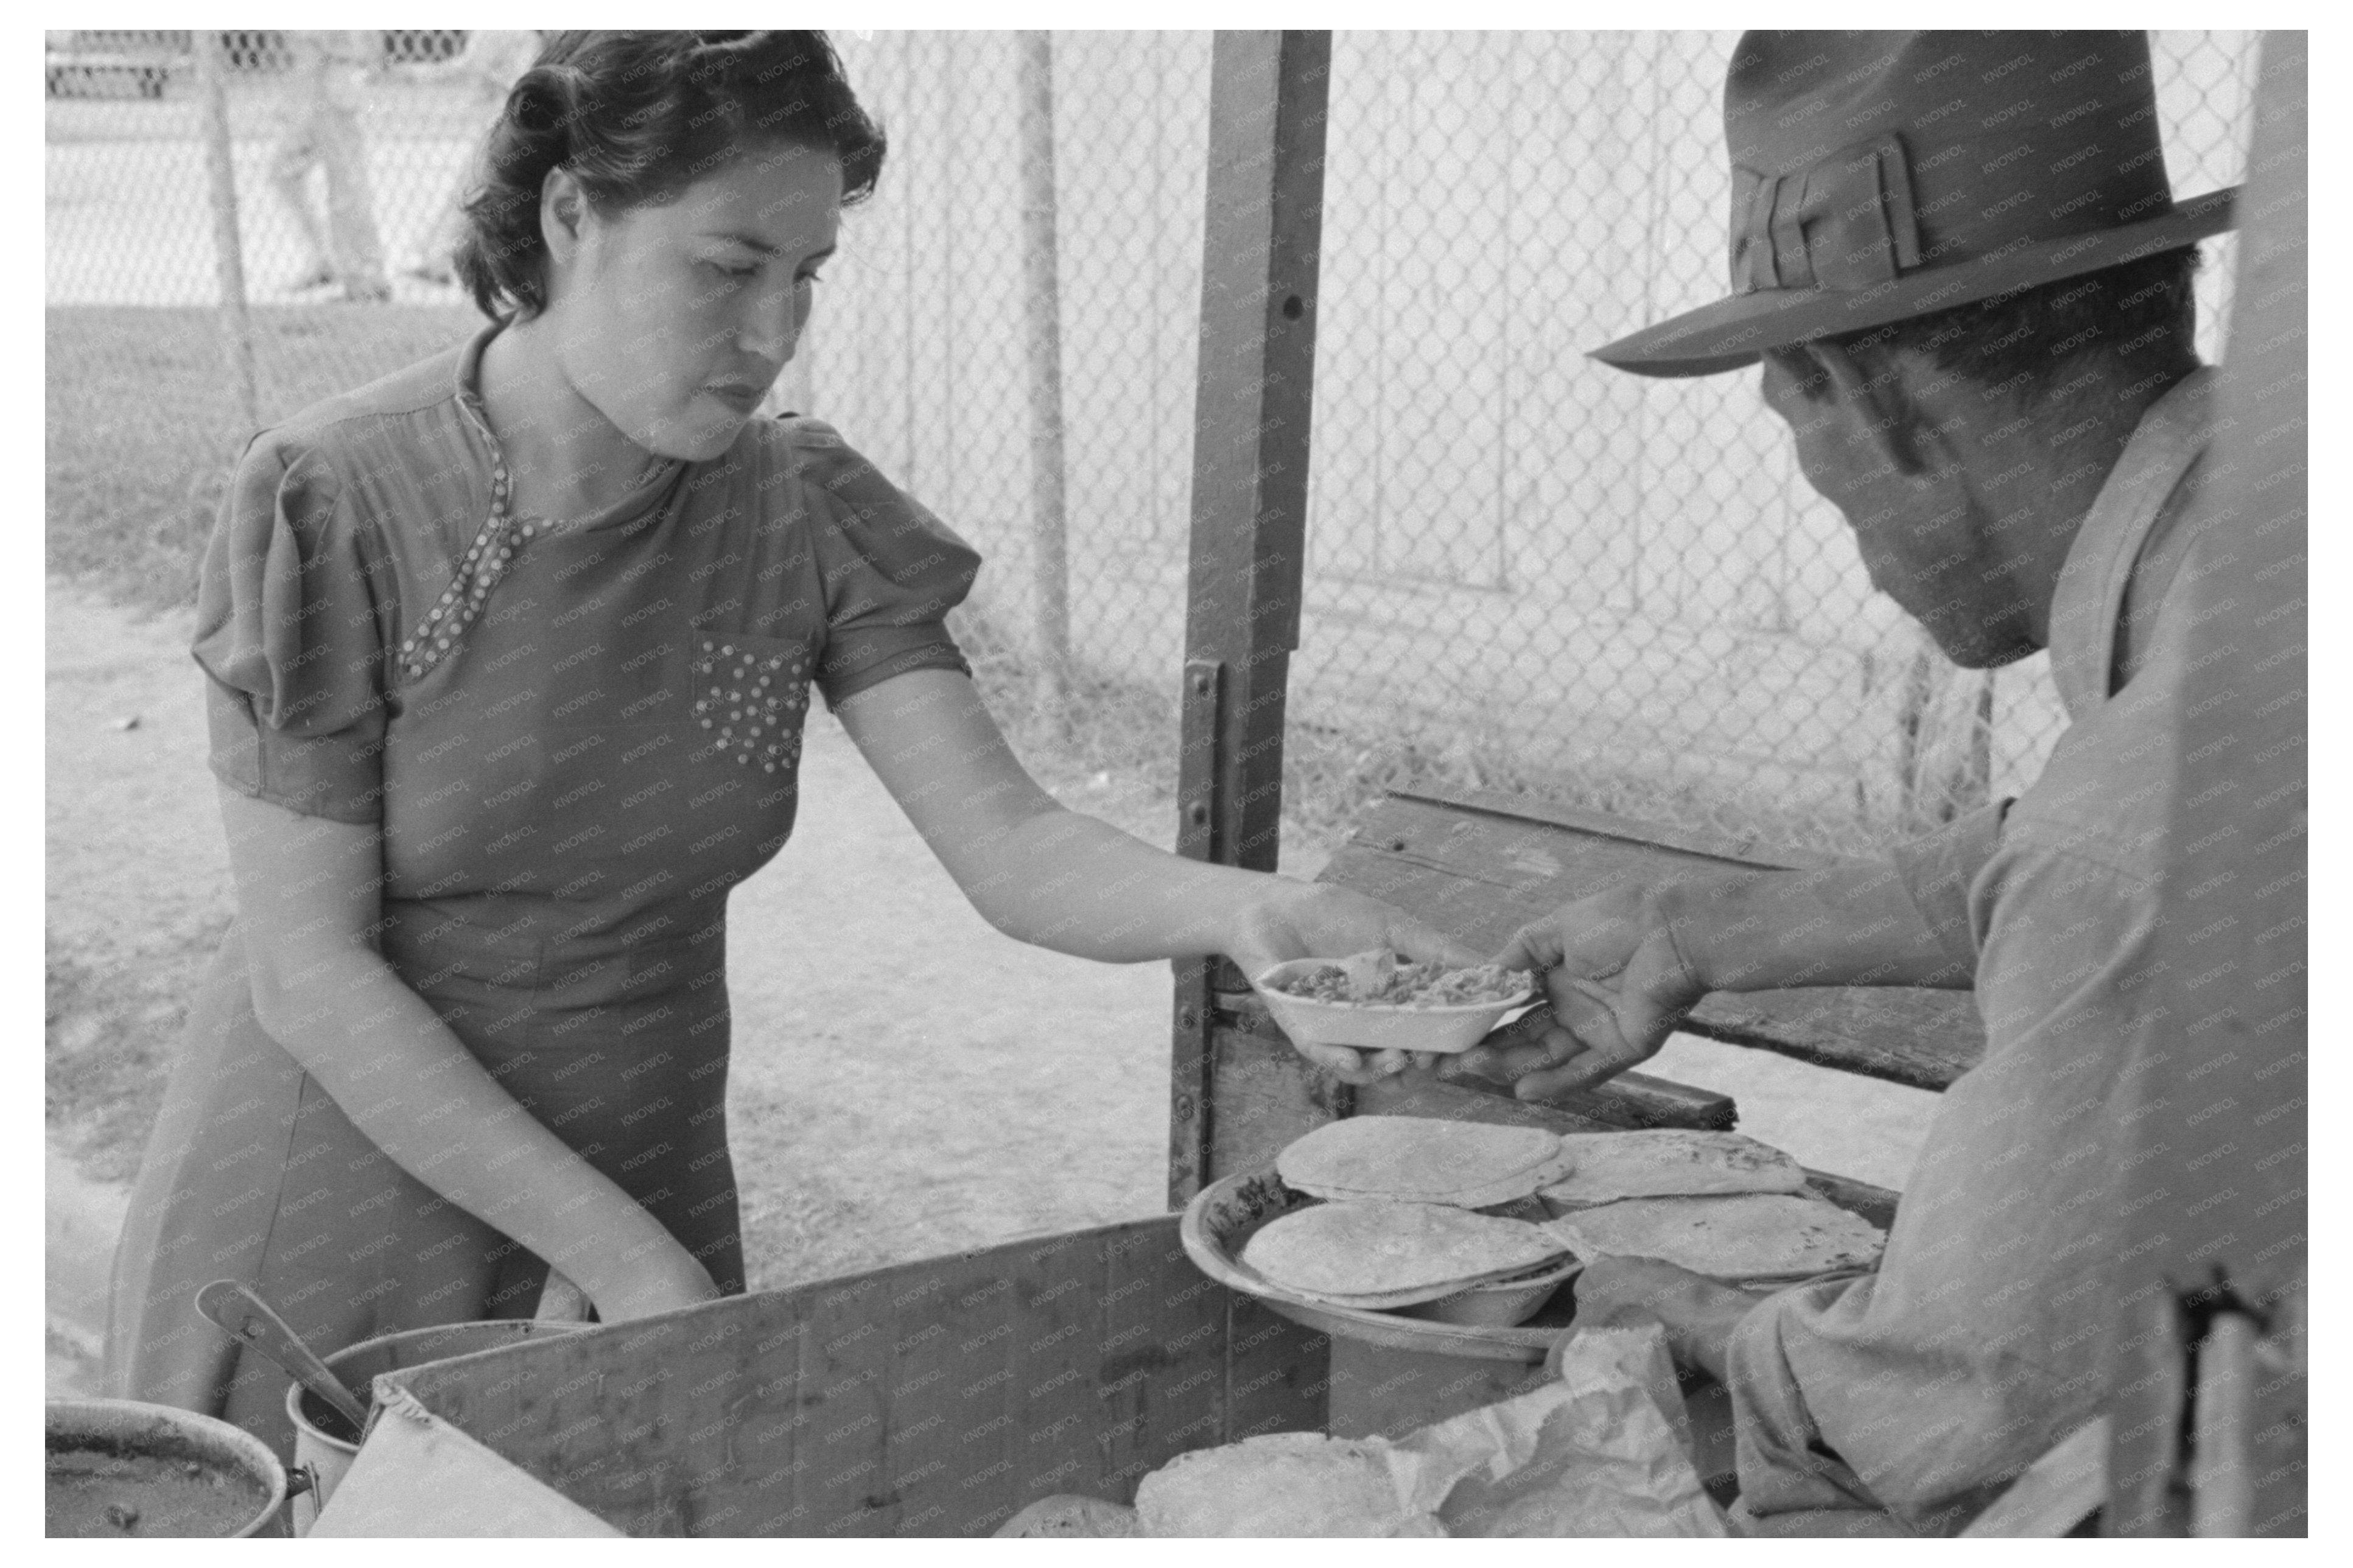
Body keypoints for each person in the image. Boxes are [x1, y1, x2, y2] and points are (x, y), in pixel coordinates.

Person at [107, 30, 1474, 1461]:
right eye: (726, 268)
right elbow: (309, 971)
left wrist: (1261, 914)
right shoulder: (341, 495)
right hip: (350, 1188)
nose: (773, 334)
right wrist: (624, 1257)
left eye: (806, 275)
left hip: (643, 1168)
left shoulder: (799, 505)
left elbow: (1013, 850)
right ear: (571, 214)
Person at [1294, 30, 2247, 1534]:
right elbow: (2073, 861)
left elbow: (1961, 1413)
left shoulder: (2147, 820)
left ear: (1863, 401)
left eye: (1789, 415)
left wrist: (1690, 1318)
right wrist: (1696, 929)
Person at [402, 29, 542, 289]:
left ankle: (441, 258)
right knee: (480, 188)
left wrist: (419, 73)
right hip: (516, 116)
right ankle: (442, 258)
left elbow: (469, 67)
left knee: (473, 188)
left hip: (505, 118)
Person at [268, 29, 391, 301]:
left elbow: (315, 49)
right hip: (320, 85)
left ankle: (367, 277)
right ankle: (325, 260)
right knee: (284, 174)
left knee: (347, 189)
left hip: (331, 85)